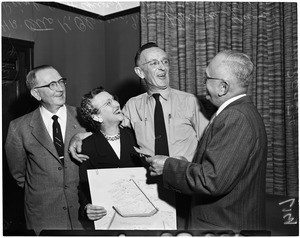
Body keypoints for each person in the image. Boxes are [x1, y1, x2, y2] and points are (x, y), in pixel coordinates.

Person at [69, 42, 209, 229]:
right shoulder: (132, 106)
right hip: (152, 192)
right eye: (153, 63)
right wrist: (78, 137)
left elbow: (210, 143)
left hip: (187, 188)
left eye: (164, 61)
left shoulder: (190, 101)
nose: (162, 67)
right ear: (140, 72)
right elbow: (108, 128)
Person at [145, 50, 268, 232]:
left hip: (224, 226)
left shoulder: (235, 117)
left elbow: (212, 180)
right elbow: (221, 169)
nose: (203, 84)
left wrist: (168, 165)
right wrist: (186, 164)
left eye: (207, 78)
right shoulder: (242, 111)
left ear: (223, 87)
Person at [5, 65, 86, 234]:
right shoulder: (19, 127)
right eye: (51, 85)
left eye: (61, 81)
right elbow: (19, 174)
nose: (60, 88)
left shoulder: (84, 118)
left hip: (84, 210)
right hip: (43, 213)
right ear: (36, 93)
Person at [78, 86, 143, 230]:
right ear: (97, 117)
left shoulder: (137, 136)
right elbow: (84, 186)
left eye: (114, 99)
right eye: (108, 103)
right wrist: (86, 207)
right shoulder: (87, 146)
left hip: (142, 219)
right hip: (109, 222)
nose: (116, 104)